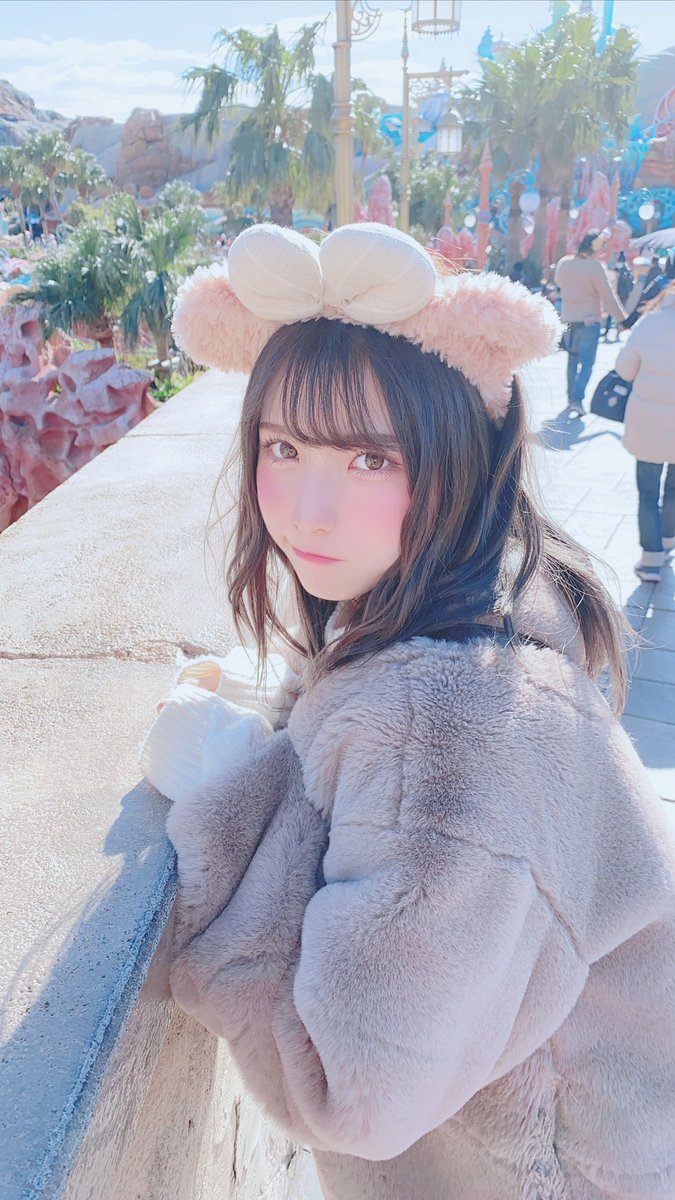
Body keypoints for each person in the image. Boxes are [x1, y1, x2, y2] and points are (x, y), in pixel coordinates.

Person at [140, 224, 675, 1200]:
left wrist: (231, 805)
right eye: (284, 447)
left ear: (458, 457)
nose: (309, 509)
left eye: (370, 459)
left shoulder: (456, 730)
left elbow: (352, 1085)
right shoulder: (490, 593)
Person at [615, 279, 675, 583]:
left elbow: (624, 370)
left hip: (648, 423)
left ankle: (651, 560)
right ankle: (668, 540)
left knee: (648, 493)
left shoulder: (649, 323)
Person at [554, 229, 627, 416]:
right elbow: (608, 296)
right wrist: (622, 319)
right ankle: (578, 399)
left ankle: (570, 399)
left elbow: (559, 283)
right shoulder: (595, 267)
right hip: (590, 321)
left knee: (572, 360)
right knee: (587, 363)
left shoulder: (564, 263)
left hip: (569, 320)